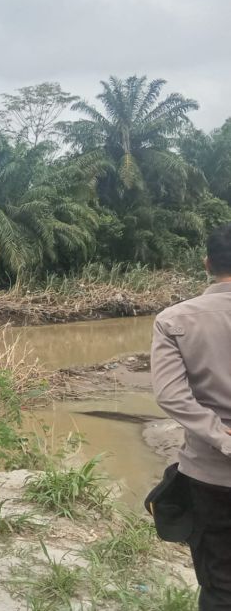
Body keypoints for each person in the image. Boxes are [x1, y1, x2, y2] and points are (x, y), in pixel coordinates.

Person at [152, 222, 231, 609]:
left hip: (210, 476)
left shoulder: (174, 319)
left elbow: (170, 394)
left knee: (220, 583)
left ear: (206, 264)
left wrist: (221, 437)